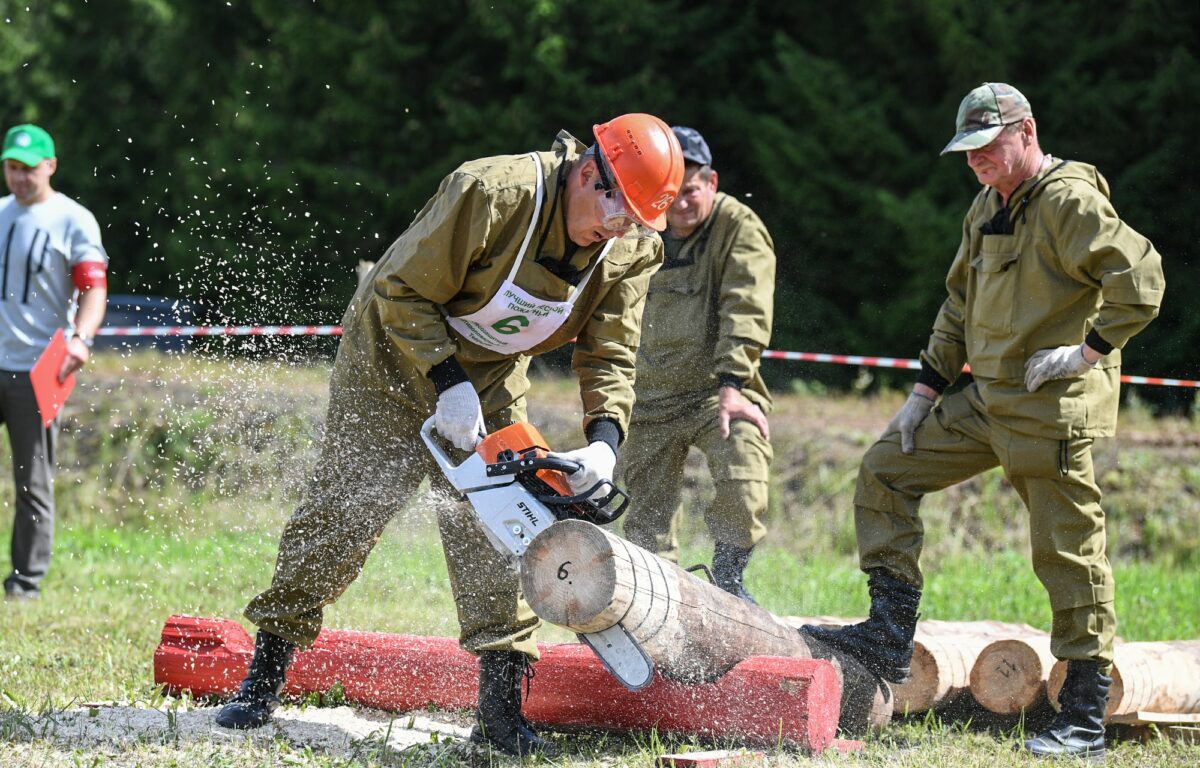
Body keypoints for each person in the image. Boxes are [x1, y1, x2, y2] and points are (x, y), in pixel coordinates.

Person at [214, 114, 684, 757]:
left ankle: (500, 711)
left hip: (488, 378)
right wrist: (445, 378)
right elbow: (399, 288)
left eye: (636, 219)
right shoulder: (494, 193)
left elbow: (610, 353)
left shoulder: (629, 249)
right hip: (390, 361)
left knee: (505, 524)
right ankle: (263, 676)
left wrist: (604, 439)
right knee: (342, 514)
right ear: (587, 173)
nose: (620, 227)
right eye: (618, 209)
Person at [802, 83, 1164, 761]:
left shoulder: (1067, 199)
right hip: (984, 404)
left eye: (988, 147)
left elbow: (1142, 281)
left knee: (1066, 553)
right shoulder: (986, 206)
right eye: (967, 152)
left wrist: (1085, 352)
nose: (976, 161)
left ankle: (1083, 712)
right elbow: (958, 305)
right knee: (885, 467)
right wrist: (924, 390)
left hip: (1050, 410)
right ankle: (888, 635)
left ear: (1026, 131)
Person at [619, 126, 775, 603]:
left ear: (712, 182)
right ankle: (659, 608)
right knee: (645, 523)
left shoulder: (738, 226)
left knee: (744, 463)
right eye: (670, 195)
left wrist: (733, 382)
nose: (680, 205)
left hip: (717, 392)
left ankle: (729, 581)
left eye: (691, 192)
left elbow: (746, 305)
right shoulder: (638, 226)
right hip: (649, 397)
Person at [1, 124, 108, 602]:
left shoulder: (74, 219)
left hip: (36, 371)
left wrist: (82, 339)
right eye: (11, 167)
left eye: (28, 168)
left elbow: (93, 288)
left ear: (51, 166)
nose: (19, 178)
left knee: (33, 481)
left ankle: (25, 583)